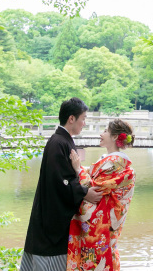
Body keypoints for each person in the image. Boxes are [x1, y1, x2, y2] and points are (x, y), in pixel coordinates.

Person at [21, 97, 102, 271]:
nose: (84, 123)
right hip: (51, 223)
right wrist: (84, 192)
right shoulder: (58, 143)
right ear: (71, 118)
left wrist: (79, 173)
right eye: (83, 118)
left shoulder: (62, 141)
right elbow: (60, 182)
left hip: (50, 217)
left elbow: (66, 177)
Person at [67, 119, 136, 271]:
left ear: (114, 137)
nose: (101, 134)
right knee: (104, 254)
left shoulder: (116, 163)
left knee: (98, 255)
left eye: (105, 131)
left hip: (102, 222)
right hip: (104, 220)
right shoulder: (110, 160)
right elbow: (92, 175)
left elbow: (94, 188)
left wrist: (78, 170)